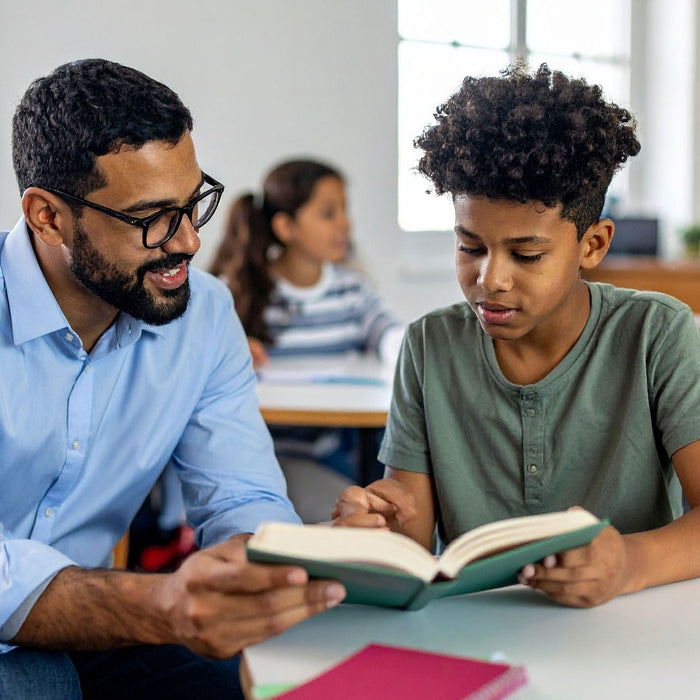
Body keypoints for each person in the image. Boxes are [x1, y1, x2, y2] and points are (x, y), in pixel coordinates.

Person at [0, 59, 345, 700]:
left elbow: (240, 492)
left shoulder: (206, 315)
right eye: (152, 218)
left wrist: (271, 565)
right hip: (71, 621)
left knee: (250, 683)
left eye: (192, 204)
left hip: (90, 625)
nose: (187, 241)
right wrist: (156, 601)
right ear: (46, 216)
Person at [332, 63, 700, 609]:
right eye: (470, 246)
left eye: (526, 255)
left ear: (593, 245)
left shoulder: (658, 333)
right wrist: (377, 528)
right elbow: (411, 542)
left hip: (626, 624)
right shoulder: (429, 345)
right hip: (474, 634)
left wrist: (628, 563)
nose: (490, 280)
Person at [208, 159, 405, 521]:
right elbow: (199, 349)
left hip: (331, 448)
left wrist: (404, 347)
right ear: (286, 227)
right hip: (261, 451)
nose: (345, 223)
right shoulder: (244, 291)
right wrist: (229, 347)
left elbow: (388, 332)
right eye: (328, 213)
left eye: (345, 210)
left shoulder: (351, 288)